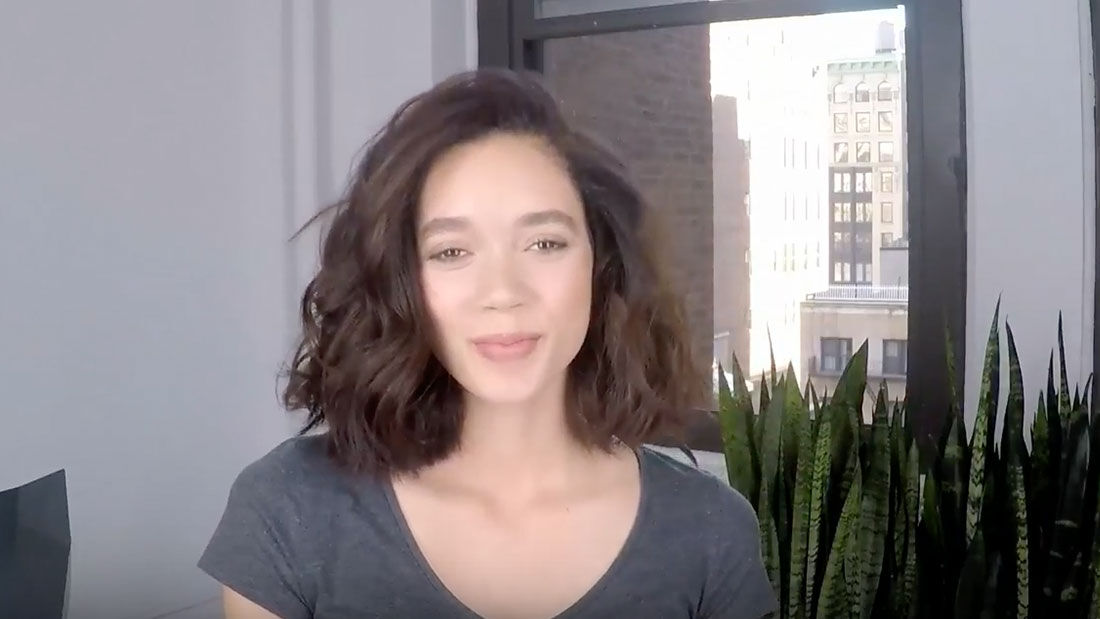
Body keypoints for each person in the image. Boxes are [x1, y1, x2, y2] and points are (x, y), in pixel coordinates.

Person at [198, 68, 777, 619]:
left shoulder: (708, 530)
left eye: (545, 244)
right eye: (451, 252)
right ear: (400, 282)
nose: (502, 293)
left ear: (603, 268)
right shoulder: (287, 511)